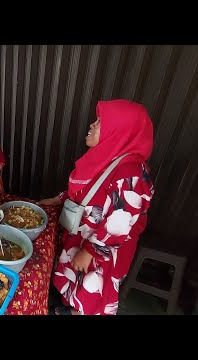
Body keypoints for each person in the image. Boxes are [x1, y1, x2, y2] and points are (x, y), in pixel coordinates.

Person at [38, 99, 155, 315]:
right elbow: (89, 192)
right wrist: (58, 199)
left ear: (120, 130)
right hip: (83, 237)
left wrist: (91, 251)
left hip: (103, 250)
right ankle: (70, 309)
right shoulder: (108, 160)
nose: (91, 125)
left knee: (92, 291)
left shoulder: (131, 172)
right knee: (77, 279)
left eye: (100, 122)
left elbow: (121, 221)